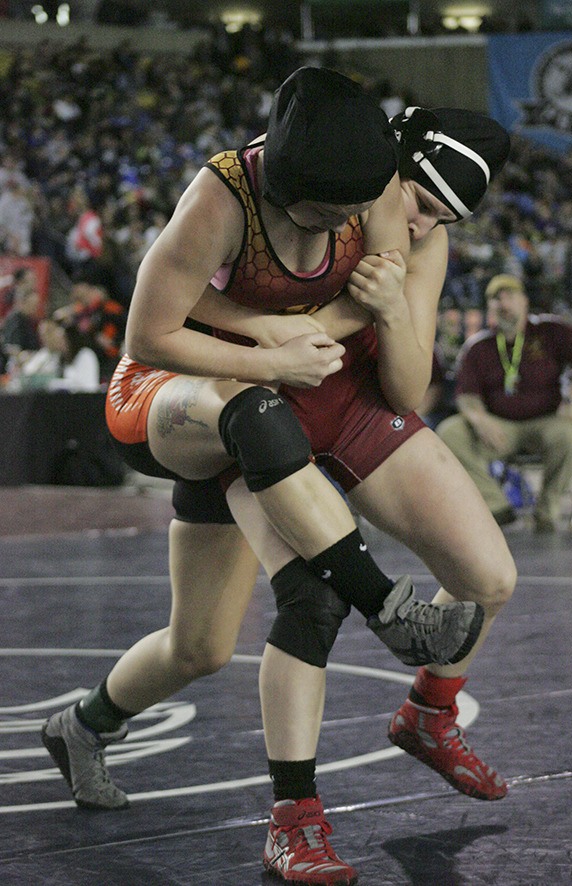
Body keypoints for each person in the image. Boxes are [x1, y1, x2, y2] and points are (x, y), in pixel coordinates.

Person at [41, 72, 487, 879]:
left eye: (360, 212)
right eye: (326, 219)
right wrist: (277, 349)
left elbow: (370, 324)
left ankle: (82, 724)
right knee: (303, 573)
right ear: (285, 192)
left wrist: (334, 325)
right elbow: (149, 330)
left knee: (200, 645)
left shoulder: (373, 194)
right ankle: (381, 613)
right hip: (177, 397)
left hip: (263, 411)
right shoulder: (222, 199)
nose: (349, 230)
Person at [437, 274, 572, 532]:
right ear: (489, 307)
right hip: (499, 426)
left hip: (547, 421)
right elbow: (466, 395)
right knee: (450, 432)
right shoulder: (479, 346)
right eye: (496, 298)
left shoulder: (549, 330)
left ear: (525, 301)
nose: (504, 303)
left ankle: (546, 511)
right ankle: (496, 506)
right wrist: (479, 420)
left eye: (510, 295)